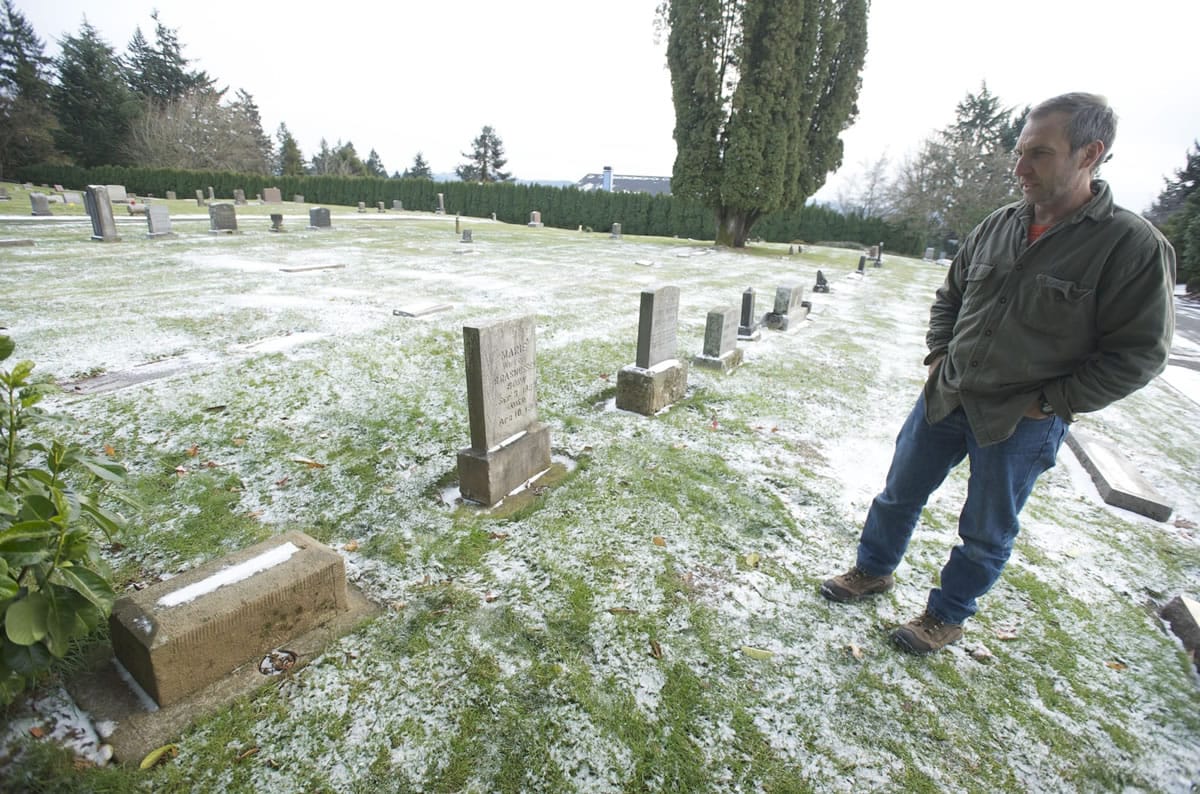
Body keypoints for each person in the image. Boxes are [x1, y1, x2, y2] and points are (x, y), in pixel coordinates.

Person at [821, 93, 1177, 653]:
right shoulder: (998, 225)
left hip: (1021, 419)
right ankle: (873, 569)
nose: (1019, 169)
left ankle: (947, 615)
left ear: (1091, 153)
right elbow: (952, 296)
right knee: (897, 496)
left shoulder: (1130, 247)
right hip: (947, 395)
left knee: (985, 532)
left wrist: (1053, 401)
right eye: (1019, 152)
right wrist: (940, 354)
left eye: (1039, 154)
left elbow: (1138, 354)